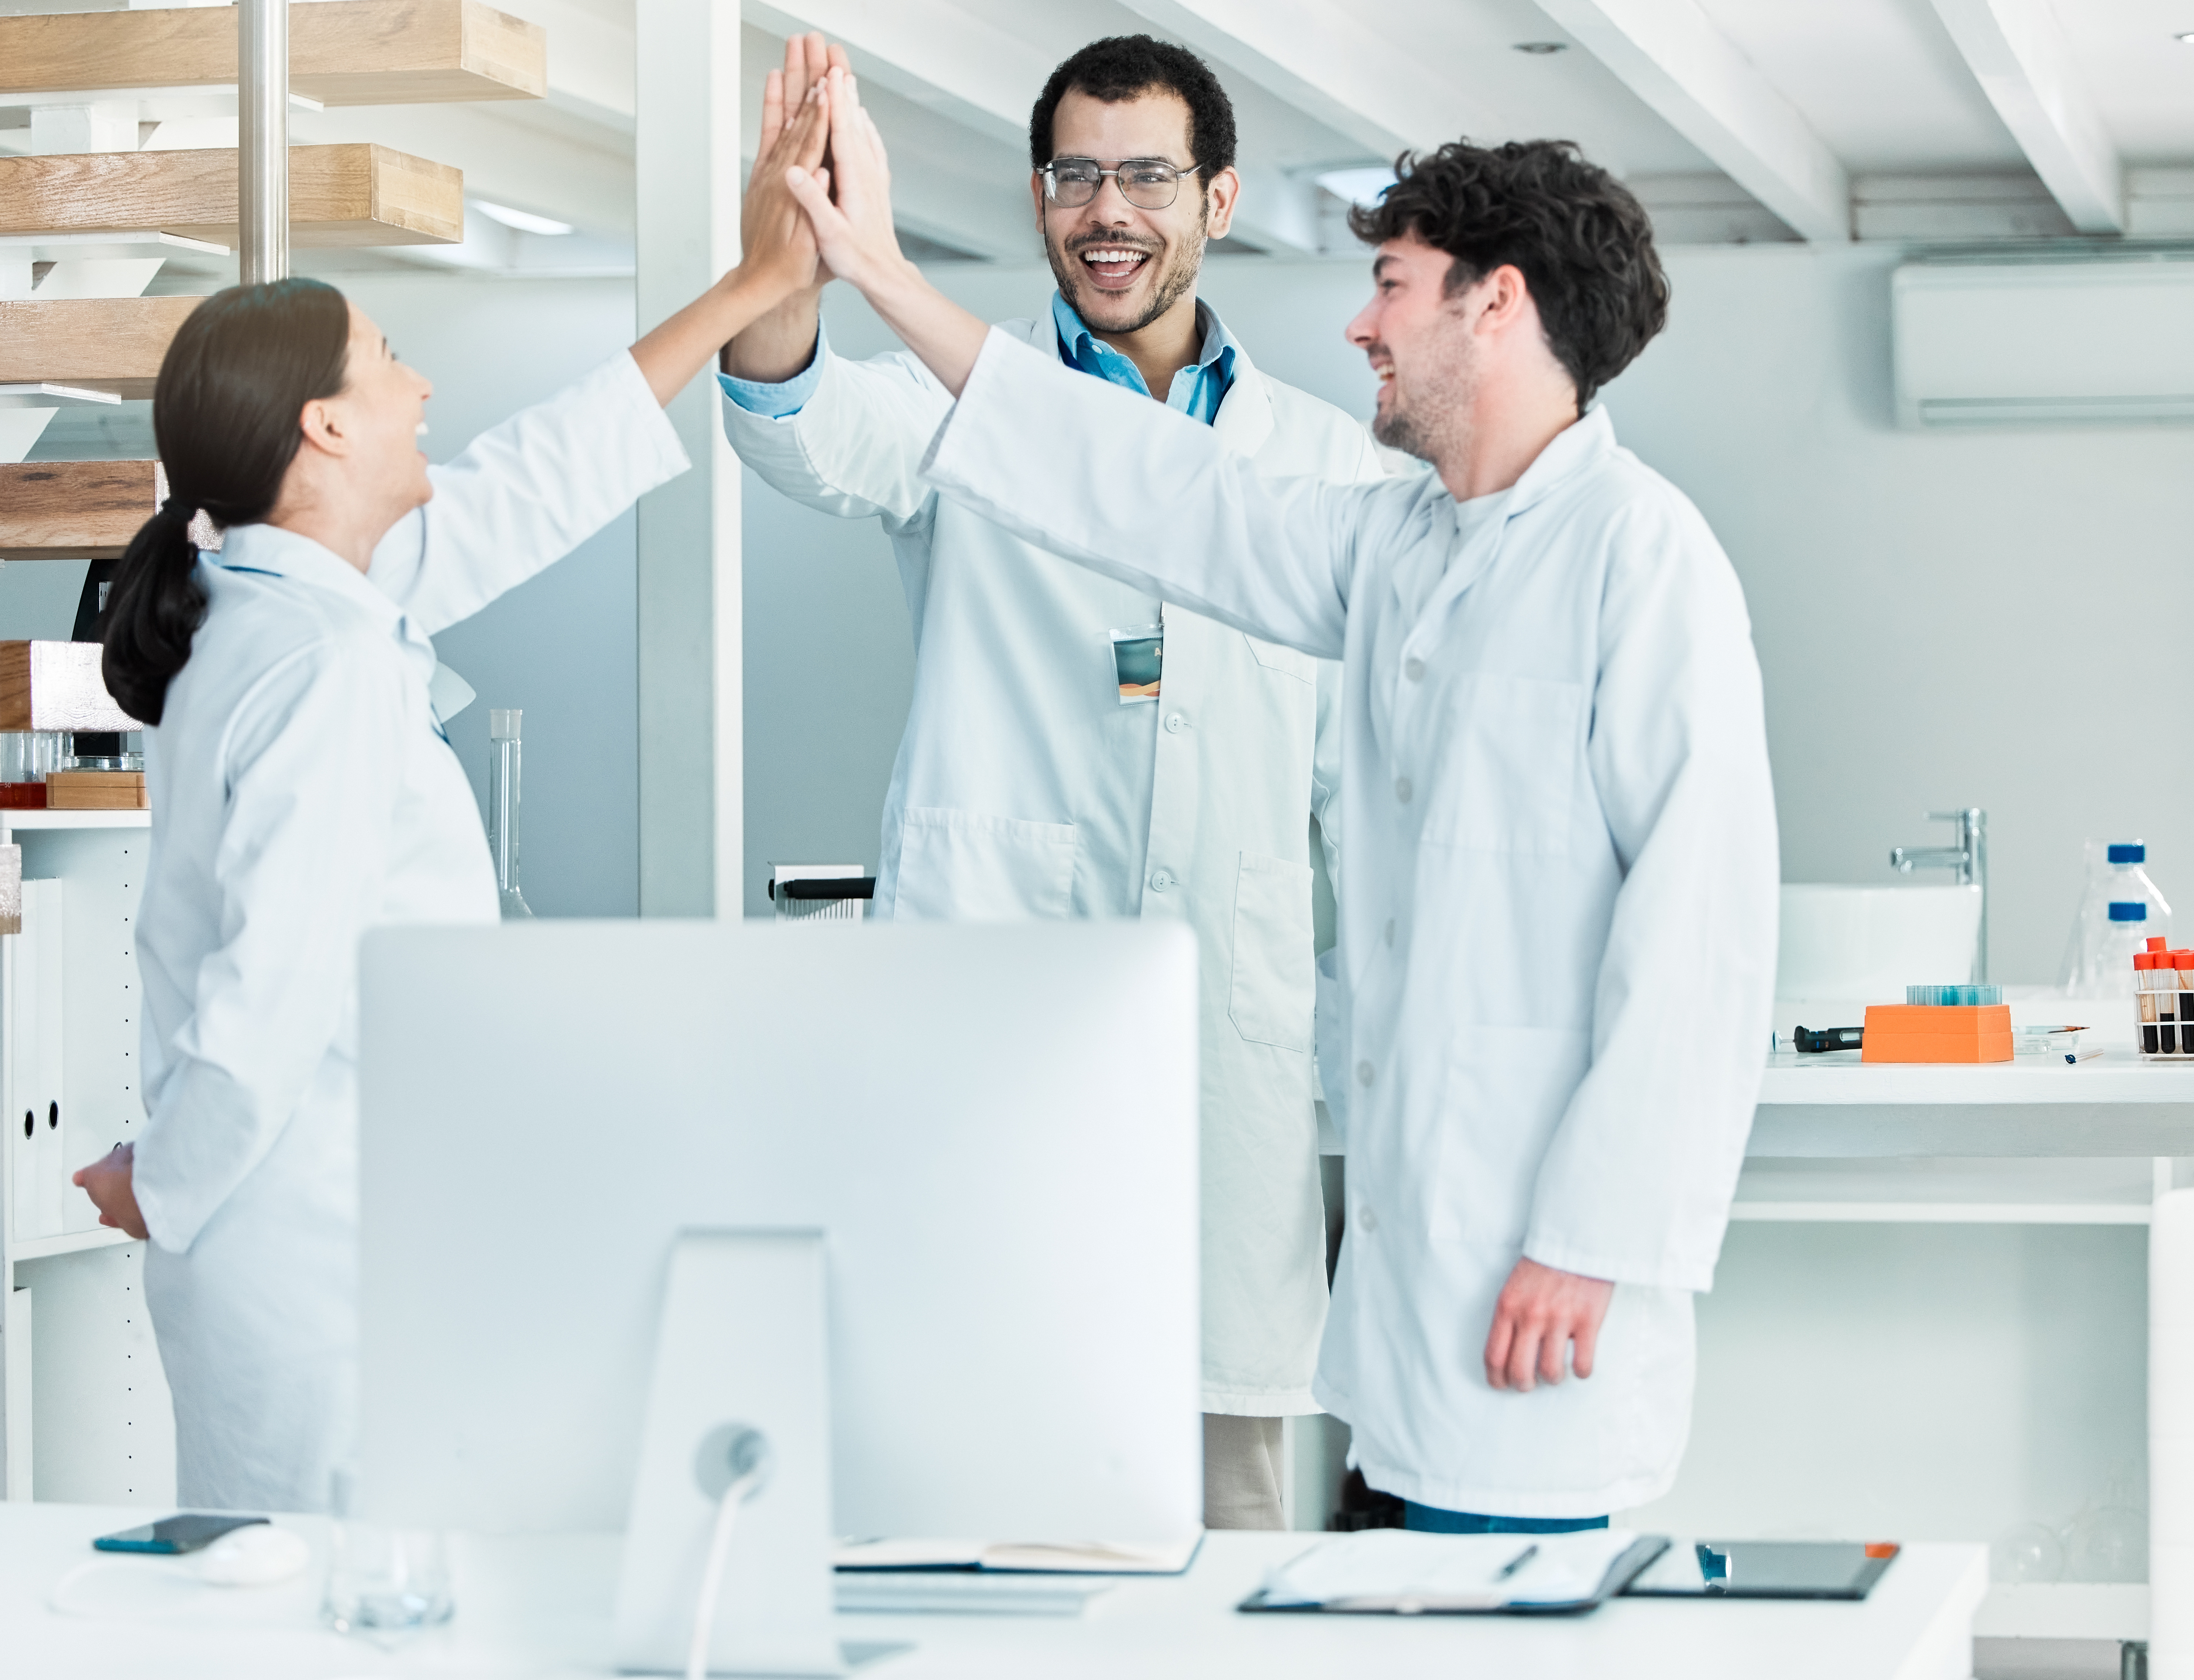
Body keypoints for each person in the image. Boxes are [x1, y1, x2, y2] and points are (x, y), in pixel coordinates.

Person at [779, 77, 1778, 1529]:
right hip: (1404, 1332)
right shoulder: (1396, 544)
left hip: (1544, 1299)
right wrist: (873, 271)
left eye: (1391, 286)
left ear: (1497, 306)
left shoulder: (1643, 557)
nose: (1361, 324)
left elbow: (1702, 941)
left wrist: (1598, 1235)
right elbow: (1138, 486)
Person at [65, 82, 840, 1514]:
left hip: (291, 1244)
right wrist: (158, 1179)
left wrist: (751, 287)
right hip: (313, 1260)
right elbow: (270, 996)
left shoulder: (290, 610)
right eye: (390, 361)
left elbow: (538, 480)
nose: (423, 386)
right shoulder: (319, 662)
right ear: (326, 430)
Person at [719, 34, 1393, 1530]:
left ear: (1219, 201)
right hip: (998, 1024)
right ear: (1038, 199)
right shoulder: (965, 406)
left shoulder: (1330, 471)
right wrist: (790, 264)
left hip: (1232, 1051)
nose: (1110, 209)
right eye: (1077, 175)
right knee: (986, 1483)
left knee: (1234, 1521)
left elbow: (1369, 807)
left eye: (1148, 175)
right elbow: (799, 430)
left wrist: (1364, 1033)